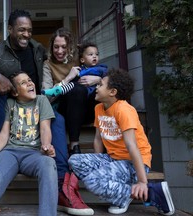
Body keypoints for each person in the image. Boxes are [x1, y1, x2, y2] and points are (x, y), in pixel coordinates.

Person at [0, 9, 93, 216]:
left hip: (37, 108)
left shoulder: (38, 49)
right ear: (10, 29)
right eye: (21, 30)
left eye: (30, 30)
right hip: (8, 107)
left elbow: (61, 59)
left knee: (56, 121)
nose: (26, 34)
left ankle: (62, 185)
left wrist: (91, 74)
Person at [68, 68, 175, 215]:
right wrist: (100, 163)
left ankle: (151, 192)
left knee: (92, 181)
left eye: (100, 85)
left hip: (134, 163)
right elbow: (98, 139)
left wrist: (142, 182)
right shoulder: (99, 108)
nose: (96, 88)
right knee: (75, 160)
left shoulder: (124, 110)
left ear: (112, 92)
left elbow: (132, 146)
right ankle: (123, 196)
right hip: (113, 159)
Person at [0, 71, 58, 216]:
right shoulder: (10, 104)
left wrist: (46, 145)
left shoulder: (41, 101)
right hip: (10, 153)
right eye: (23, 83)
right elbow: (4, 134)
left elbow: (45, 128)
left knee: (48, 164)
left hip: (33, 154)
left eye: (29, 80)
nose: (29, 83)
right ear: (15, 92)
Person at [42, 28, 102, 155]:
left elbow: (102, 72)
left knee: (99, 93)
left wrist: (98, 79)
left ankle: (106, 145)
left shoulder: (80, 58)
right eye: (56, 47)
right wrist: (68, 78)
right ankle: (74, 146)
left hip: (86, 108)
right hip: (65, 109)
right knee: (77, 89)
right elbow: (46, 96)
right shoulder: (48, 65)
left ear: (70, 46)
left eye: (64, 47)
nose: (60, 51)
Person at [42, 41, 107, 97]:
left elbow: (107, 79)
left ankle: (59, 90)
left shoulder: (101, 68)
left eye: (97, 54)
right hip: (80, 93)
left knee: (74, 85)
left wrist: (99, 80)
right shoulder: (81, 68)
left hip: (93, 93)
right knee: (73, 85)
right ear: (82, 60)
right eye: (91, 54)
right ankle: (58, 90)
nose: (94, 56)